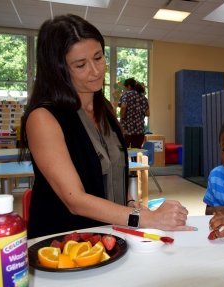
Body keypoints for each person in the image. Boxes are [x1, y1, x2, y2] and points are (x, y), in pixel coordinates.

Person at [19, 14, 193, 239]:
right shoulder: (43, 118)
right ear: (58, 70)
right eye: (81, 65)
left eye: (98, 57)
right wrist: (150, 219)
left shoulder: (106, 110)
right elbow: (75, 200)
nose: (96, 70)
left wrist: (137, 208)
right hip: (63, 245)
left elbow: (112, 179)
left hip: (110, 237)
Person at [119, 78, 149, 148]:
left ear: (129, 86)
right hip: (139, 131)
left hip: (127, 130)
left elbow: (123, 107)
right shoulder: (143, 97)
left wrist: (122, 117)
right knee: (136, 153)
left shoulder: (126, 95)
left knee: (124, 153)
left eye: (125, 87)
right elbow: (148, 113)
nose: (125, 89)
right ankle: (135, 159)